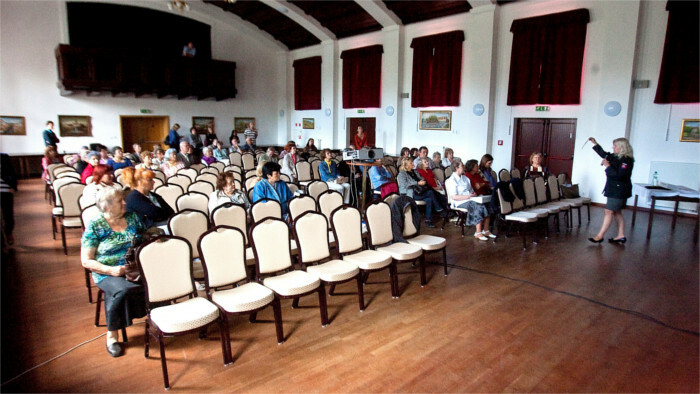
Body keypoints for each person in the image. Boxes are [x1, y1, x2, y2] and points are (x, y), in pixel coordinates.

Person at [81, 189, 147, 357]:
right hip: (107, 272)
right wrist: (112, 270)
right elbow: (86, 261)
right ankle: (112, 336)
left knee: (159, 281)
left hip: (135, 267)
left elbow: (144, 237)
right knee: (122, 290)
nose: (125, 203)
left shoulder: (132, 217)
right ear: (107, 206)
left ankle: (159, 319)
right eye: (120, 201)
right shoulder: (95, 226)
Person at [587, 137, 635, 244]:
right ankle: (621, 235)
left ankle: (600, 236)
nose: (613, 147)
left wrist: (607, 166)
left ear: (622, 147)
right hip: (614, 189)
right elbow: (604, 154)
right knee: (617, 212)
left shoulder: (626, 160)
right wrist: (595, 143)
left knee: (608, 211)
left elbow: (619, 175)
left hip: (619, 190)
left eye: (615, 146)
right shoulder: (615, 157)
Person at [444, 159, 495, 241]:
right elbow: (454, 197)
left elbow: (471, 190)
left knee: (487, 204)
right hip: (459, 202)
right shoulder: (451, 180)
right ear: (456, 168)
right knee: (477, 205)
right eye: (462, 166)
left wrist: (473, 194)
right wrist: (468, 196)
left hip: (469, 198)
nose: (464, 167)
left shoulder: (465, 178)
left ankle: (486, 230)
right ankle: (478, 232)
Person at [396, 157, 444, 228]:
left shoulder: (414, 171)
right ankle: (440, 209)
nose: (413, 163)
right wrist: (417, 183)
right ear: (406, 166)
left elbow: (421, 178)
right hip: (410, 193)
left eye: (412, 162)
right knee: (431, 192)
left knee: (429, 199)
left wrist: (423, 181)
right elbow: (404, 185)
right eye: (411, 163)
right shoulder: (402, 174)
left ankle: (428, 220)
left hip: (419, 191)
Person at [1, 154, 18, 251]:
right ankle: (2, 244)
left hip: (6, 190)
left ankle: (8, 232)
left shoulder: (4, 158)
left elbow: (12, 173)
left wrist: (13, 187)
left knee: (8, 216)